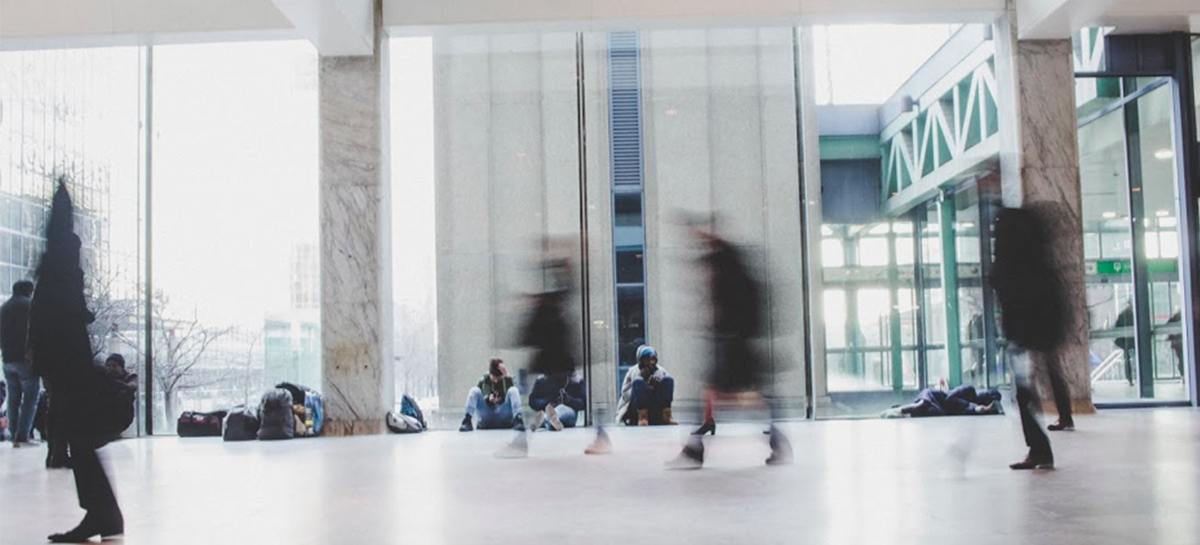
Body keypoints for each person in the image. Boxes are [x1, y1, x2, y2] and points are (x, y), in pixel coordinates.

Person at [30, 182, 124, 541]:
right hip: (70, 359)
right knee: (80, 442)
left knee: (80, 441)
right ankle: (102, 515)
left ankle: (103, 516)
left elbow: (57, 313)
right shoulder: (66, 262)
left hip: (66, 362)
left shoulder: (59, 260)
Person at [667, 219, 792, 469]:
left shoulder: (729, 264)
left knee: (719, 393)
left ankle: (695, 450)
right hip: (734, 342)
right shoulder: (729, 262)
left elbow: (731, 302)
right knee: (739, 395)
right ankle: (776, 442)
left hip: (733, 343)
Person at [990, 205, 1073, 470]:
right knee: (1034, 384)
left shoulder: (1014, 256)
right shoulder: (1039, 261)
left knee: (1024, 391)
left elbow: (1001, 279)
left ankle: (1039, 449)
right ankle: (1047, 438)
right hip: (1038, 325)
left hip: (1025, 327)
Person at [3, 280, 41, 448]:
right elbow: (37, 331)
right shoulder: (30, 306)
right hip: (25, 359)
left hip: (7, 359)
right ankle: (23, 436)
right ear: (29, 291)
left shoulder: (3, 308)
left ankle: (12, 434)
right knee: (31, 397)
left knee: (13, 397)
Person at [615, 345, 677, 426]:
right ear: (641, 360)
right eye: (646, 359)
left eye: (652, 359)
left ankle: (666, 416)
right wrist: (643, 385)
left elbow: (665, 393)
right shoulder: (633, 371)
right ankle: (643, 417)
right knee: (638, 381)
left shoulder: (661, 371)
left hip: (655, 407)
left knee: (668, 379)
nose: (650, 362)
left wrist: (656, 387)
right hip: (635, 409)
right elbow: (625, 396)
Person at [459, 358, 525, 432]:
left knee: (513, 390)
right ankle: (467, 420)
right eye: (494, 377)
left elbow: (515, 394)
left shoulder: (508, 379)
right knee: (474, 390)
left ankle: (518, 419)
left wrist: (507, 376)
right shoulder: (483, 380)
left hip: (504, 414)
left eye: (499, 378)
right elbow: (477, 397)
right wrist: (487, 399)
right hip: (487, 414)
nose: (496, 381)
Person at [881, 381, 1002, 418]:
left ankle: (899, 413)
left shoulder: (971, 409)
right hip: (934, 395)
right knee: (922, 405)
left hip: (940, 407)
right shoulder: (970, 390)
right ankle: (898, 410)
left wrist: (978, 409)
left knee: (927, 412)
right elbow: (950, 398)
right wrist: (971, 405)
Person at [1114, 301, 1135, 386]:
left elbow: (1117, 328)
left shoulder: (1123, 315)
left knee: (1127, 360)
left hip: (1127, 341)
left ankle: (1130, 379)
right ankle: (1131, 379)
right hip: (1131, 340)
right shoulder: (1134, 314)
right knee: (1132, 360)